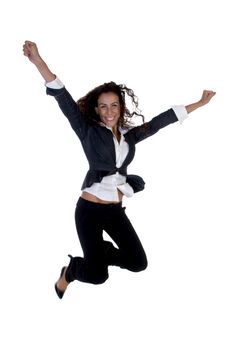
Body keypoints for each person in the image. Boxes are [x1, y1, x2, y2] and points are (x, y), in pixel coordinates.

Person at [23, 40, 216, 299]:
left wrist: (199, 104)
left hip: (114, 211)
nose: (109, 111)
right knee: (98, 276)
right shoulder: (87, 131)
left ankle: (98, 254)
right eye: (103, 106)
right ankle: (72, 271)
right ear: (96, 109)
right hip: (89, 211)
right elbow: (64, 100)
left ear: (120, 108)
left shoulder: (129, 137)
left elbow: (160, 121)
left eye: (114, 105)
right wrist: (39, 62)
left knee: (138, 262)